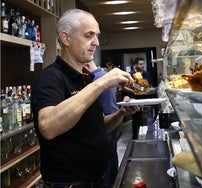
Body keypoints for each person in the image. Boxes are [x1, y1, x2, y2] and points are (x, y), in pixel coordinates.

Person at [31, 9, 140, 188]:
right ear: (66, 38)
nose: (96, 42)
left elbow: (99, 125)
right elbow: (48, 127)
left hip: (96, 178)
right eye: (89, 35)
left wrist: (121, 113)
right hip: (69, 184)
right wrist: (101, 83)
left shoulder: (85, 78)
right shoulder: (50, 77)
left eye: (96, 36)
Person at [84, 61, 119, 188]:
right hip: (113, 118)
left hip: (106, 121)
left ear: (86, 66)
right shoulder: (104, 75)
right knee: (111, 155)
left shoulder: (96, 79)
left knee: (106, 162)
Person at [129, 57, 152, 139]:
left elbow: (150, 85)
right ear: (135, 65)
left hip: (145, 99)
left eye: (143, 64)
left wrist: (147, 89)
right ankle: (135, 137)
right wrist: (142, 89)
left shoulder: (147, 74)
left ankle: (146, 137)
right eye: (140, 64)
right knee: (135, 119)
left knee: (146, 119)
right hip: (134, 100)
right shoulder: (131, 74)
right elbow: (131, 85)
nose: (142, 66)